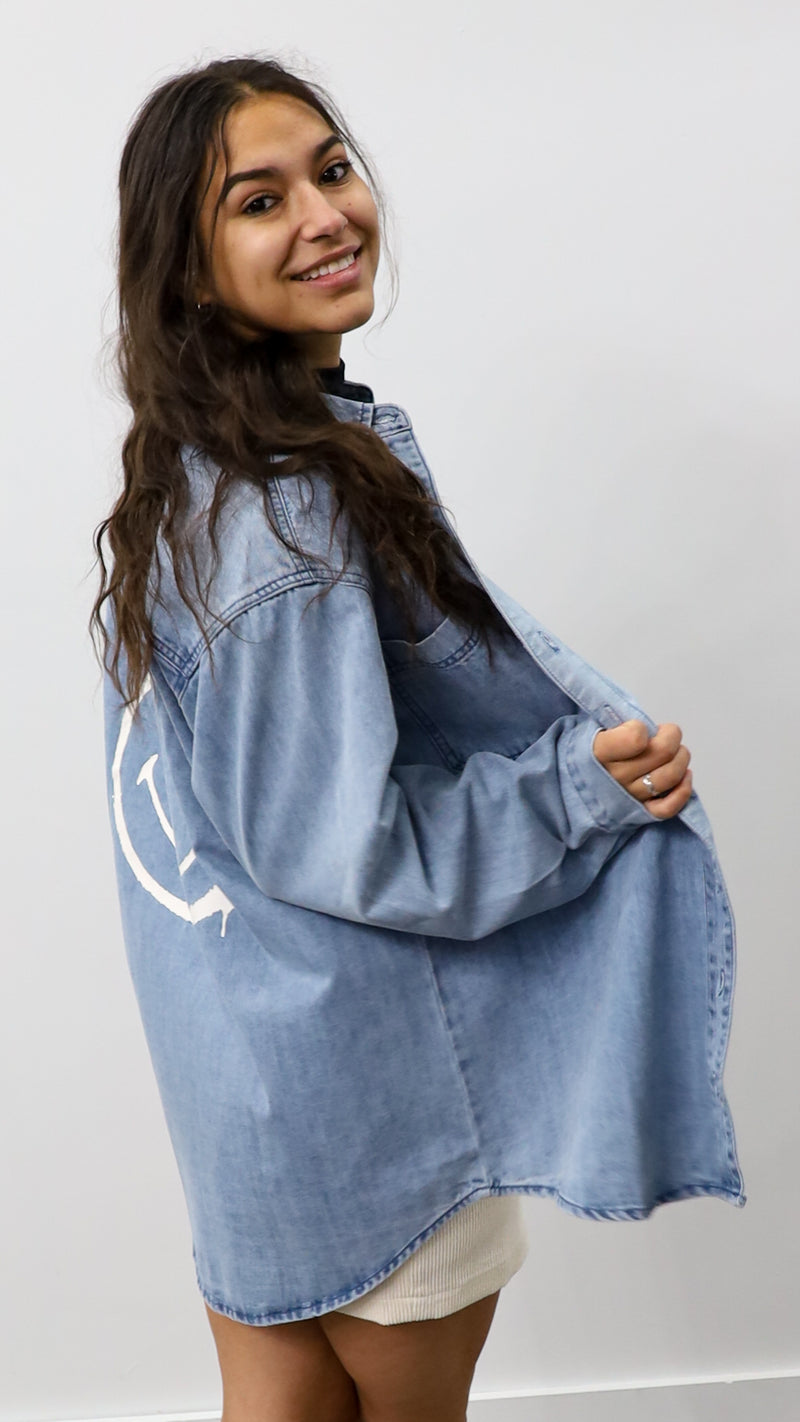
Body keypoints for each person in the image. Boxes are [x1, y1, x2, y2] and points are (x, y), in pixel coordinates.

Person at [91, 54, 744, 1422]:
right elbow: (350, 846)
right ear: (191, 272)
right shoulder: (286, 518)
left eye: (331, 170)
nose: (325, 215)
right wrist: (574, 790)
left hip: (247, 1093)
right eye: (260, 200)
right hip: (373, 1096)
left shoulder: (185, 483)